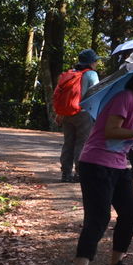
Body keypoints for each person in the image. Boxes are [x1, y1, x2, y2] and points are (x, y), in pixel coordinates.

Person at [65, 67, 133, 265]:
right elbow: (111, 131)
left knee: (130, 212)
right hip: (96, 163)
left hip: (118, 165)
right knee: (98, 217)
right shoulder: (125, 98)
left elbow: (132, 138)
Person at [55, 49, 101, 183]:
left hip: (67, 113)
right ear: (91, 62)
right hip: (83, 114)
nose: (97, 63)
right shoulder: (91, 74)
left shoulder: (71, 74)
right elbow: (96, 93)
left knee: (68, 143)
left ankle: (66, 174)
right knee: (82, 143)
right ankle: (80, 173)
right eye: (95, 61)